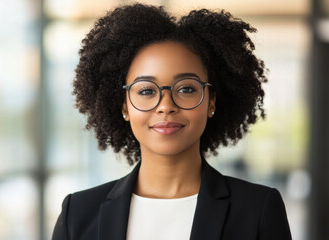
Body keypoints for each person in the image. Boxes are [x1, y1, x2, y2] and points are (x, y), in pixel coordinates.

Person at [52, 3, 292, 240]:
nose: (166, 106)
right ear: (124, 106)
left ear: (211, 102)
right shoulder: (78, 214)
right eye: (146, 91)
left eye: (186, 88)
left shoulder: (257, 210)